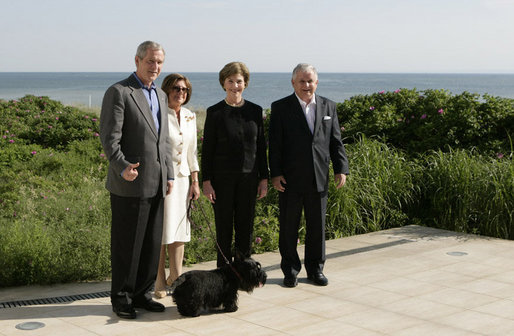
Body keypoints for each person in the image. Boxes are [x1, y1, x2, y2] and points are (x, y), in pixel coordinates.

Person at [99, 41, 173, 319]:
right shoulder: (119, 92)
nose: (155, 67)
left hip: (158, 183)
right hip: (129, 182)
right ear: (137, 60)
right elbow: (109, 137)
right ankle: (122, 299)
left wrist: (169, 174)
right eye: (150, 61)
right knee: (127, 246)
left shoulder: (161, 95)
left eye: (159, 63)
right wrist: (122, 166)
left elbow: (161, 140)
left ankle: (143, 294)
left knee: (151, 244)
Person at [268, 63, 349, 288]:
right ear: (293, 82)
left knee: (317, 228)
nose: (306, 85)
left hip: (319, 178)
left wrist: (341, 168)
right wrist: (275, 174)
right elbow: (274, 145)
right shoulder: (280, 107)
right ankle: (291, 271)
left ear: (316, 82)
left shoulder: (328, 107)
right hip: (290, 180)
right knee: (288, 228)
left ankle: (316, 270)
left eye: (310, 81)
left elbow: (335, 141)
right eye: (302, 81)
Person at [201, 61, 269, 268]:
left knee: (245, 226)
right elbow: (207, 150)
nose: (235, 86)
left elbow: (260, 146)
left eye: (239, 81)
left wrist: (264, 178)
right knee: (223, 227)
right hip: (221, 180)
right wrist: (206, 181)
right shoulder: (214, 112)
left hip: (249, 178)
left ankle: (243, 270)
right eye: (230, 81)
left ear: (245, 83)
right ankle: (223, 271)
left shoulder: (256, 111)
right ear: (223, 83)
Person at [154, 74, 200, 298]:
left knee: (180, 230)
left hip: (183, 181)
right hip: (163, 179)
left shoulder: (191, 116)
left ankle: (177, 276)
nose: (180, 92)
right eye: (175, 88)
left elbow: (192, 152)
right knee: (163, 230)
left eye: (184, 89)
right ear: (166, 90)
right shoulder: (159, 114)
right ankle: (159, 280)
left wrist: (195, 181)